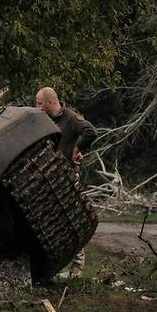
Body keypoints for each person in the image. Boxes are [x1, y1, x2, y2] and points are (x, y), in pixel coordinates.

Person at [36, 87, 98, 277]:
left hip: (67, 176)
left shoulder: (70, 119)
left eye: (39, 103)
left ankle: (77, 268)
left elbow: (90, 131)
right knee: (50, 222)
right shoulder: (42, 119)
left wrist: (77, 148)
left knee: (72, 219)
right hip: (47, 177)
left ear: (50, 102)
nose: (36, 107)